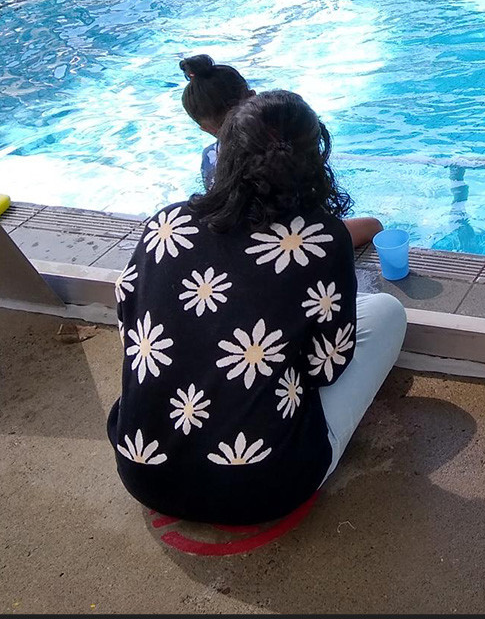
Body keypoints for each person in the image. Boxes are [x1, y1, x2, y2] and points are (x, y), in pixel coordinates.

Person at [108, 90, 407, 526]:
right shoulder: (322, 241)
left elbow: (129, 322)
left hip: (144, 473)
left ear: (225, 154)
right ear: (314, 161)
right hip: (264, 488)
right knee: (387, 313)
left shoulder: (164, 223)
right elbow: (325, 370)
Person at [179, 54, 254, 189]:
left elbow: (214, 196)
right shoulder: (287, 128)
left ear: (206, 129)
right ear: (253, 97)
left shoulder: (211, 158)